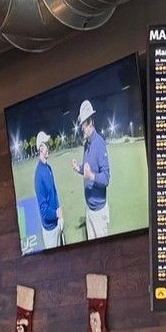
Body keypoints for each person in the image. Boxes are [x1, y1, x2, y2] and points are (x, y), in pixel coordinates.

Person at [72, 99, 111, 239]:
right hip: (89, 208)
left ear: (90, 122)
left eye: (83, 125)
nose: (81, 128)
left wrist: (92, 176)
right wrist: (78, 168)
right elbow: (87, 168)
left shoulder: (99, 143)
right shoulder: (86, 144)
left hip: (99, 211)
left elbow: (106, 178)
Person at [33, 131, 63, 249]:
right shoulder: (38, 175)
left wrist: (59, 211)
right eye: (46, 144)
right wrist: (56, 214)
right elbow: (44, 211)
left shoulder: (48, 168)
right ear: (41, 148)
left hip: (56, 222)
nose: (48, 147)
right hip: (49, 230)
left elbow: (54, 193)